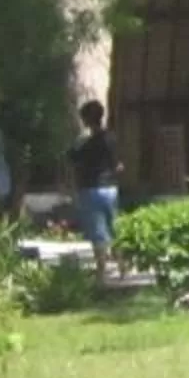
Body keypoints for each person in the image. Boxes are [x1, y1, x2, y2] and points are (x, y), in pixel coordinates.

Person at [70, 99, 121, 277]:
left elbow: (72, 159)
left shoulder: (85, 142)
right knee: (114, 227)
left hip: (90, 188)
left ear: (85, 120)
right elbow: (118, 165)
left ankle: (101, 269)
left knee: (97, 230)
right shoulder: (111, 138)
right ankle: (122, 266)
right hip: (110, 189)